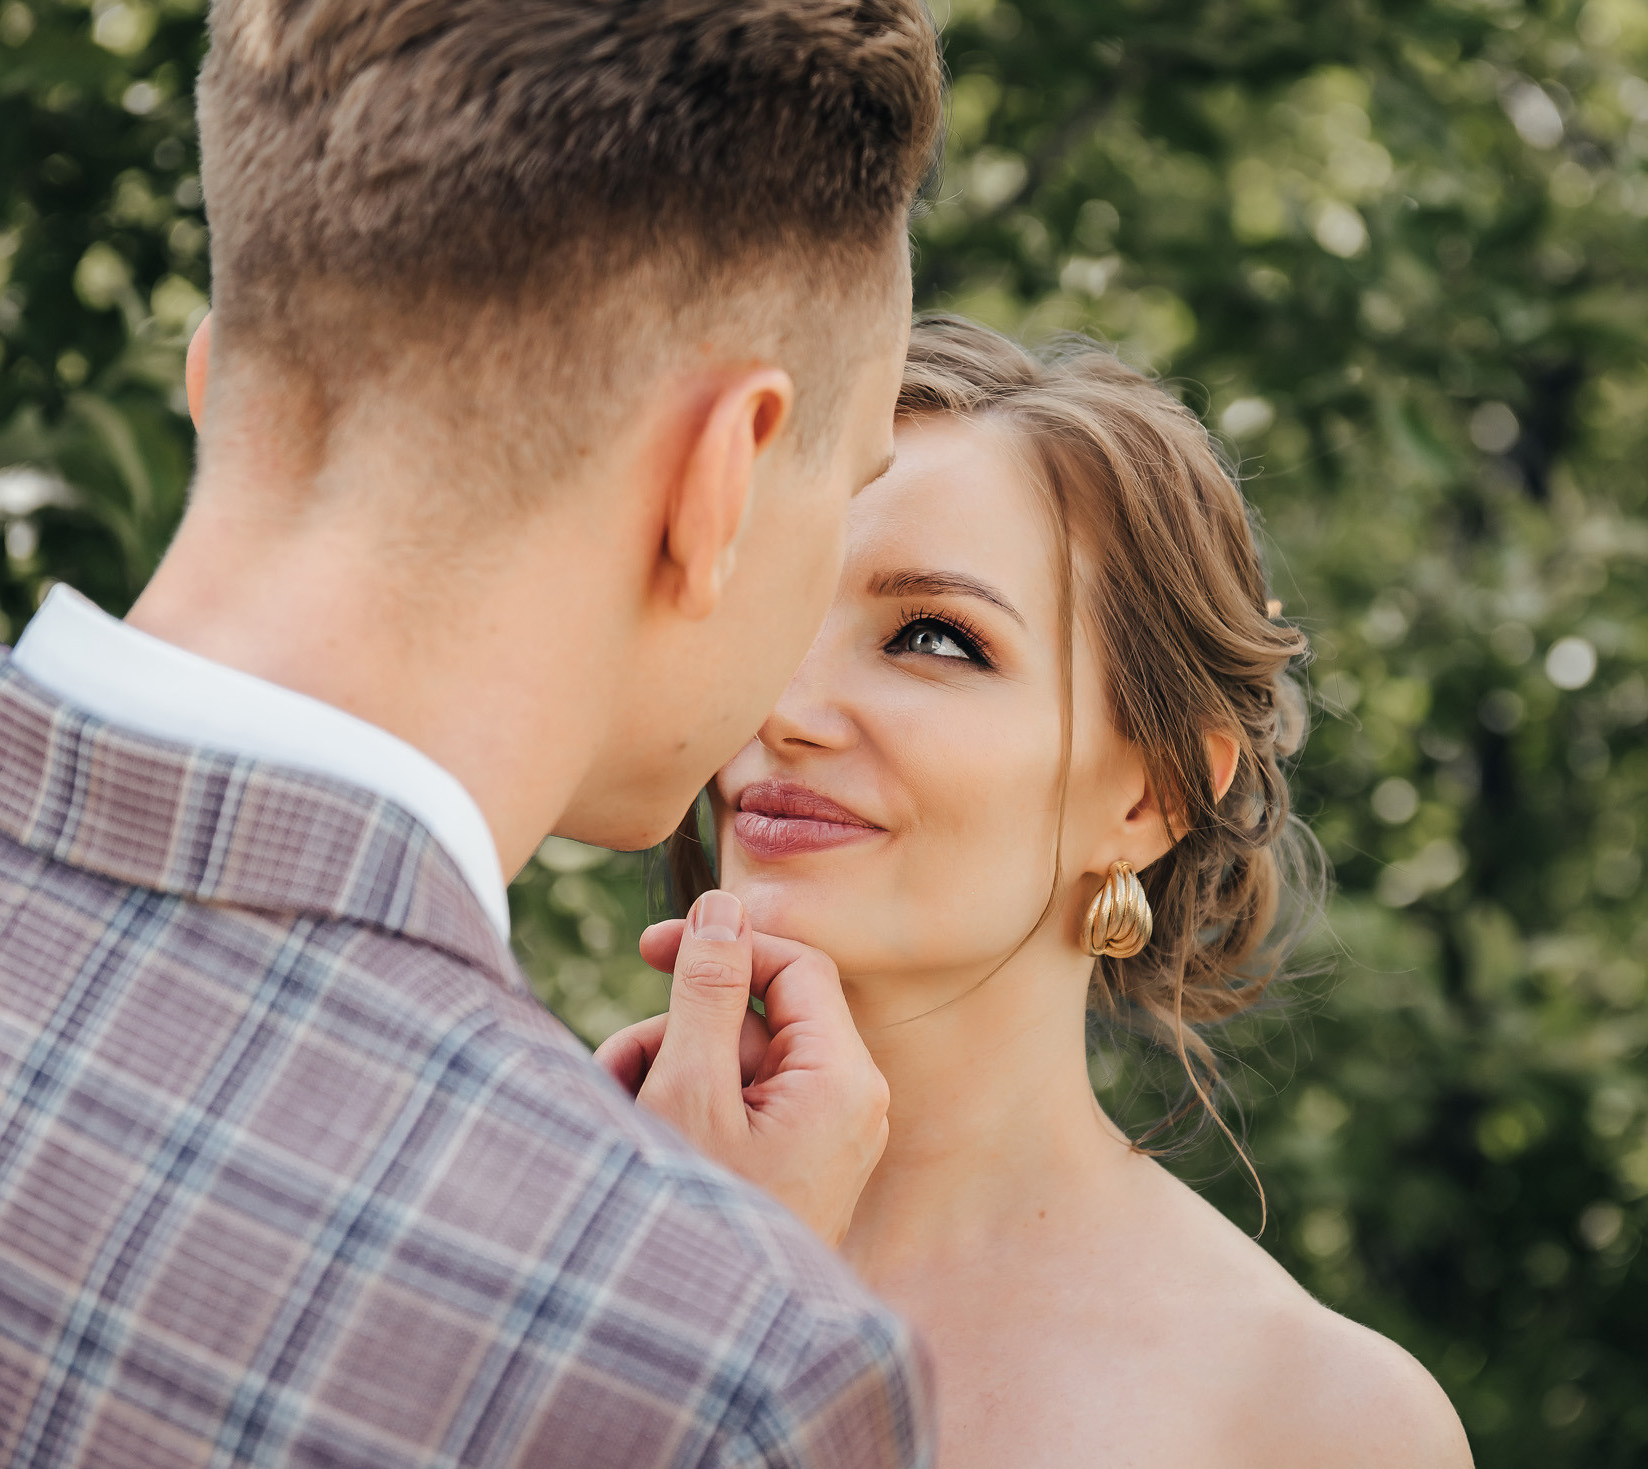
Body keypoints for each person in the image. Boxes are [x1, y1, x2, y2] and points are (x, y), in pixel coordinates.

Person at [0, 2, 944, 1465]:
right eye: (844, 486)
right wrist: (690, 1300)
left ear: (225, 380)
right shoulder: (729, 1367)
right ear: (719, 477)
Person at [600, 318, 1474, 1468]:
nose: (785, 705)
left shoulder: (1315, 1419)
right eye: (777, 607)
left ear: (1151, 792)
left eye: (932, 637)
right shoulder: (523, 1215)